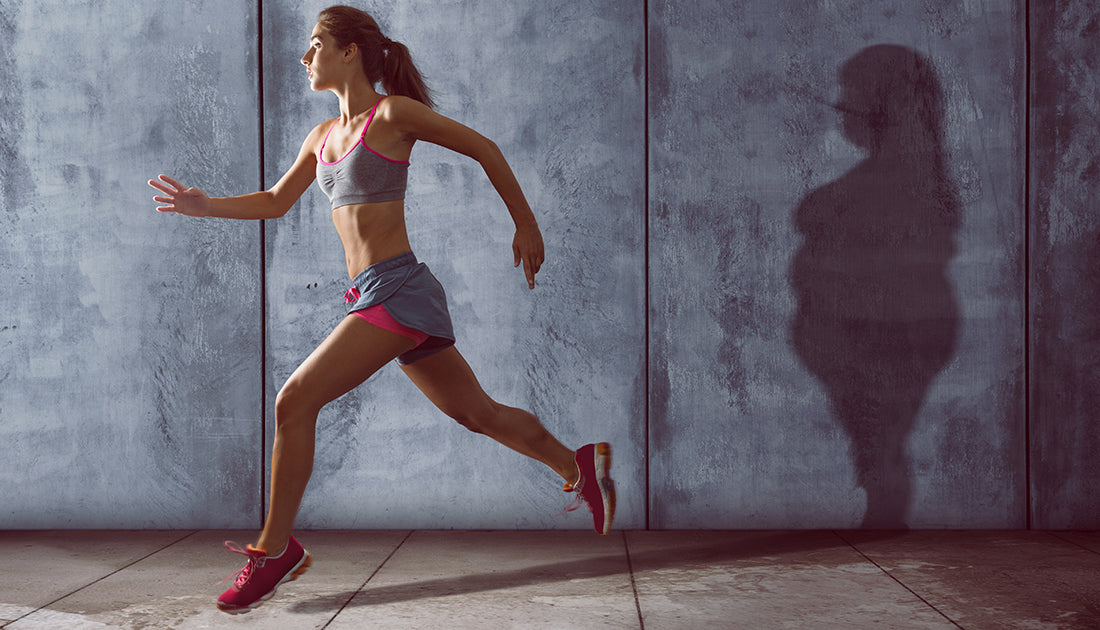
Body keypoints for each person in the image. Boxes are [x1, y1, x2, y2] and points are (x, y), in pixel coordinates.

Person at [148, 4, 615, 614]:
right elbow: (273, 200)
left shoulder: (391, 115)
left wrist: (526, 223)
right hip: (374, 294)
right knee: (478, 414)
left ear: (350, 52)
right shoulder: (320, 137)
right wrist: (207, 207)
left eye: (316, 44)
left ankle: (275, 550)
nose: (305, 56)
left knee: (295, 399)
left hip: (399, 290)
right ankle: (578, 464)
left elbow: (486, 148)